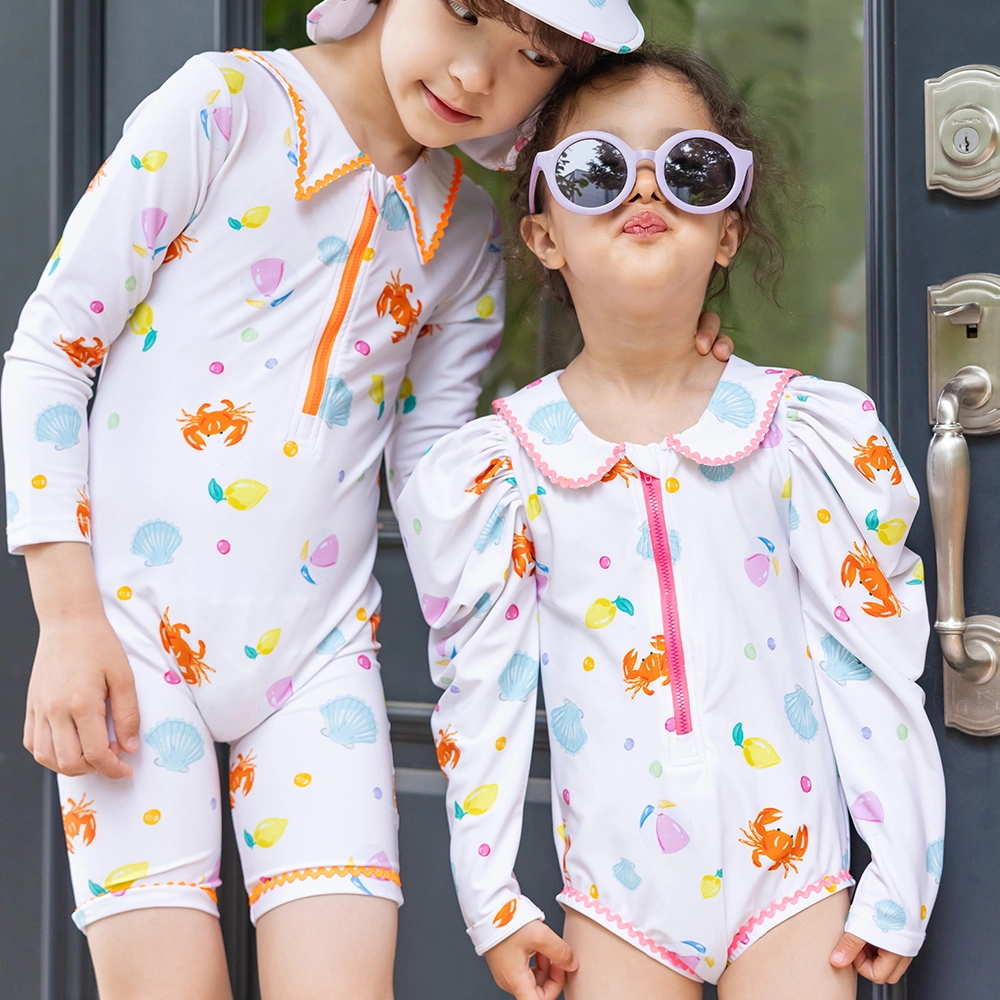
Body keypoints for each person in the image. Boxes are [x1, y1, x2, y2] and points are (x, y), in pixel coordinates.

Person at [2, 1, 732, 996]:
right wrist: (66, 615)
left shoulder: (466, 231)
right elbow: (52, 349)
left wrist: (649, 379)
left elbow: (436, 468)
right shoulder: (223, 110)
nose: (475, 73)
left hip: (318, 662)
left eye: (531, 55)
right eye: (462, 10)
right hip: (129, 641)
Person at [396, 46, 946, 1000]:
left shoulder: (795, 434)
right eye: (597, 169)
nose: (645, 186)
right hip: (616, 903)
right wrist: (492, 898)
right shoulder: (509, 469)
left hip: (796, 886)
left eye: (690, 168)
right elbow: (480, 692)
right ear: (544, 235)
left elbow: (868, 654)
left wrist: (902, 867)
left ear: (728, 232)